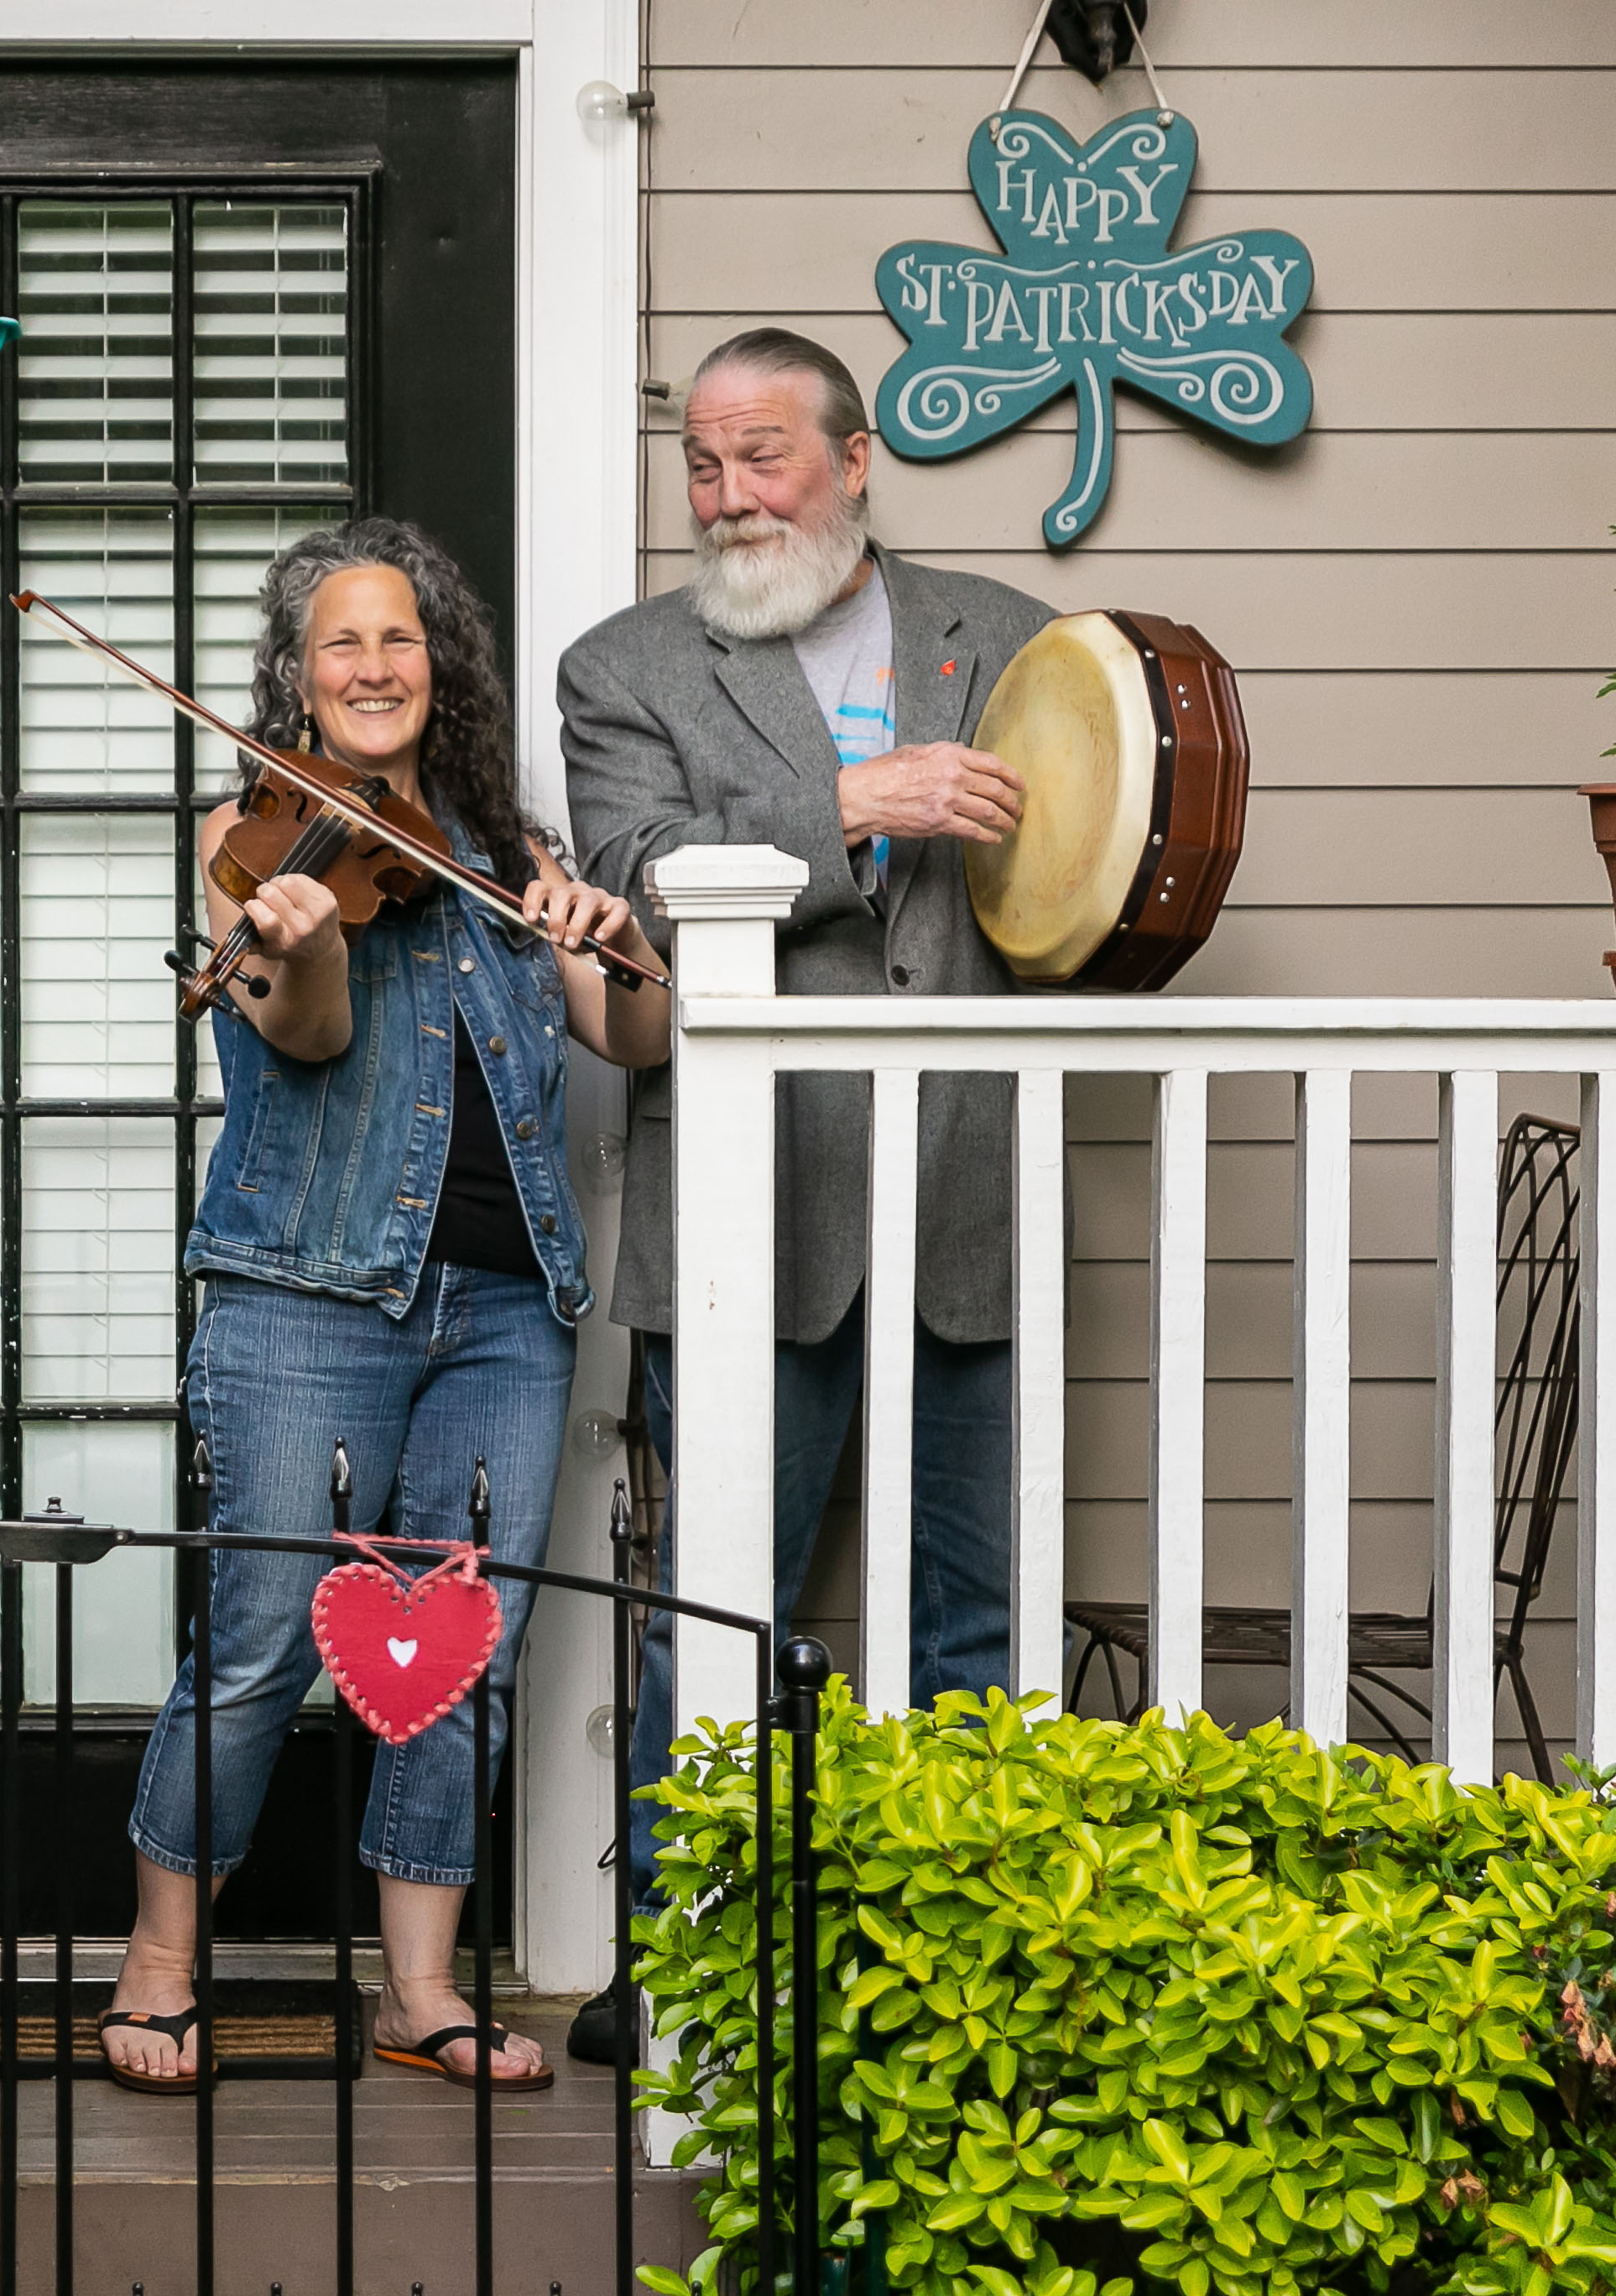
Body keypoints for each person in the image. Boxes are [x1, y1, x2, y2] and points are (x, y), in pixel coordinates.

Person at [98, 517, 672, 2096]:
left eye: (400, 639)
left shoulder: (501, 850)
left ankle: (420, 1988)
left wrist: (619, 950)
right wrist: (310, 940)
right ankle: (161, 1966)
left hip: (507, 1308)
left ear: (442, 669)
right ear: (294, 671)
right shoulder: (263, 840)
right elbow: (304, 1041)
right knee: (263, 1640)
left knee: (459, 1649)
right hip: (307, 1297)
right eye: (340, 641)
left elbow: (635, 1042)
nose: (372, 665)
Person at [556, 329, 1053, 2064]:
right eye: (701, 464)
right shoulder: (623, 666)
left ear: (854, 462)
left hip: (968, 1202)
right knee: (715, 1613)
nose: (729, 495)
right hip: (746, 1218)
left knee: (975, 1617)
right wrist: (858, 797)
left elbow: (1085, 873)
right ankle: (679, 1962)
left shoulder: (1013, 642)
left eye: (764, 456)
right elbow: (629, 881)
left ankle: (962, 1963)